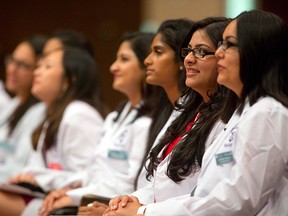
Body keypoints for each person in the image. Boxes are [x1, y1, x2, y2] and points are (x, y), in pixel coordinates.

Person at [105, 10, 288, 216]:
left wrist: (144, 212)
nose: (219, 53)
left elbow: (238, 201)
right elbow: (201, 192)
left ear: (255, 51)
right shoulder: (239, 113)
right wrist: (136, 202)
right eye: (219, 45)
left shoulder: (268, 112)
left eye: (228, 44)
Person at [103, 16, 231, 216]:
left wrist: (142, 211)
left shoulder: (228, 119)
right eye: (188, 51)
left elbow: (211, 196)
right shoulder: (189, 112)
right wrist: (133, 201)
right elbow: (159, 183)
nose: (188, 59)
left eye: (201, 52)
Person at [78, 19, 195, 216]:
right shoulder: (168, 111)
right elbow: (149, 182)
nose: (148, 60)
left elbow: (185, 189)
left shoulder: (182, 115)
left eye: (157, 52)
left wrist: (133, 210)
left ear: (181, 60)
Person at [0, 46, 105, 216]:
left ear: (68, 80)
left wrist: (38, 177)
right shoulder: (55, 112)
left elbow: (90, 176)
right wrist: (29, 175)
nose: (37, 72)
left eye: (47, 67)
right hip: (45, 194)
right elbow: (40, 167)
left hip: (68, 202)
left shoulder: (79, 114)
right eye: (38, 66)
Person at [0, 35, 47, 182]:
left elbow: (18, 167)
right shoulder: (13, 104)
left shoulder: (40, 112)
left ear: (37, 70)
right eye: (11, 61)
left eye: (22, 65)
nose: (12, 69)